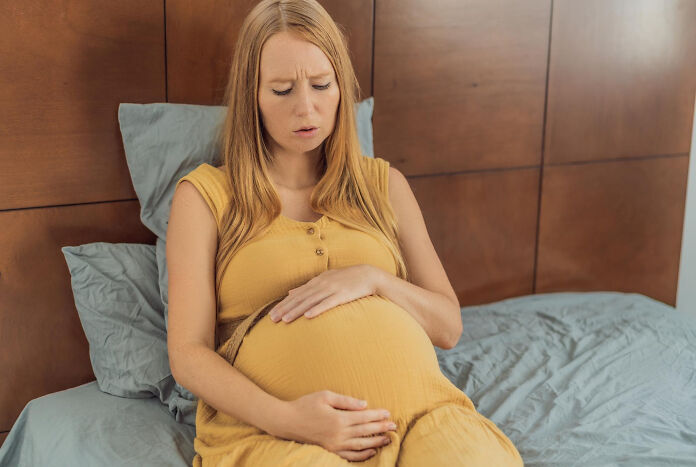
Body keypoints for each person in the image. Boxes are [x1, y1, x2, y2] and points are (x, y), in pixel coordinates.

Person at [166, 0, 524, 465]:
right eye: (281, 90)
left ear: (341, 87)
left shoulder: (384, 185)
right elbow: (188, 354)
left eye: (321, 84)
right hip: (281, 434)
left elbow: (448, 326)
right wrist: (287, 419)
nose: (306, 107)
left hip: (423, 416)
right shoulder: (206, 196)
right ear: (251, 95)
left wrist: (374, 279)